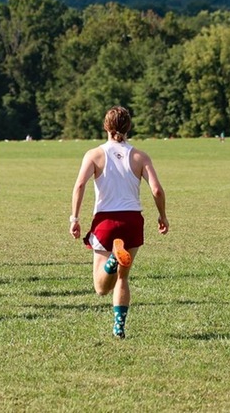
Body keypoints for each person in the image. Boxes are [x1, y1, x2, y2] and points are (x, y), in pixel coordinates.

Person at [70, 106, 169, 339]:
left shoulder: (94, 154)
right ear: (129, 127)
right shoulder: (140, 156)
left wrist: (74, 218)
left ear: (105, 126)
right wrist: (162, 215)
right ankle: (119, 327)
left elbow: (80, 186)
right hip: (132, 221)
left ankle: (113, 258)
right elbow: (155, 189)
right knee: (123, 278)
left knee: (101, 287)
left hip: (106, 220)